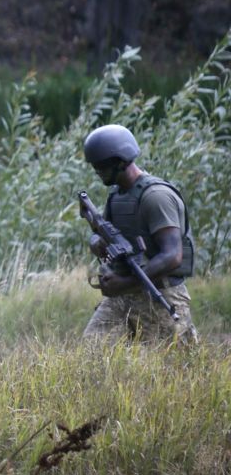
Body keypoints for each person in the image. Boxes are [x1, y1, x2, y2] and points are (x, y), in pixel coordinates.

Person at [80, 124, 197, 344]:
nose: (97, 171)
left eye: (101, 166)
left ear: (121, 162)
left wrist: (124, 283)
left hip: (160, 294)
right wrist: (96, 242)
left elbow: (172, 256)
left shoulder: (156, 197)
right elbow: (103, 232)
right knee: (90, 352)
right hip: (122, 296)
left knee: (170, 369)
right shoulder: (118, 195)